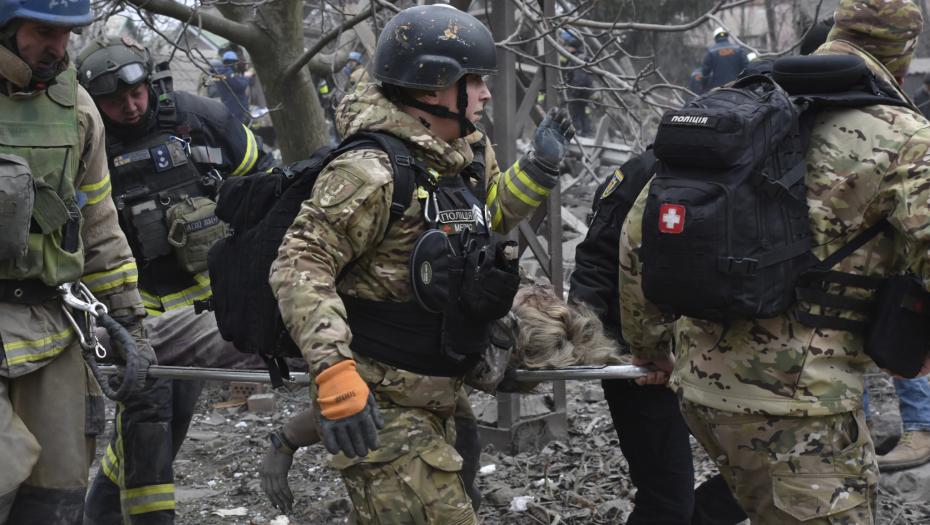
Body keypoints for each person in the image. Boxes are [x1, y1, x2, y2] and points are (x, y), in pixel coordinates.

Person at [622, 1, 930, 523]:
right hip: (804, 407)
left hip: (701, 390)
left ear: (834, 32)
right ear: (903, 57)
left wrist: (649, 347)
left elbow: (639, 238)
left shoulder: (733, 107)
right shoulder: (905, 137)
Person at [269, 5, 573, 523]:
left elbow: (488, 213)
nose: (485, 94)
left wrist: (538, 171)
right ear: (434, 89)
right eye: (474, 82)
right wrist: (335, 374)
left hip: (441, 392)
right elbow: (300, 263)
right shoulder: (370, 172)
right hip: (381, 403)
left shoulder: (463, 153)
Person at [74, 35, 276, 525]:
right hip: (138, 312)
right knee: (147, 421)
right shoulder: (85, 140)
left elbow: (267, 181)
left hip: (208, 309)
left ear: (151, 82)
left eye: (137, 92)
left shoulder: (201, 119)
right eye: (114, 100)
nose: (130, 106)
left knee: (169, 424)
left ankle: (96, 514)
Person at [0, 2, 153, 523]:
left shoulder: (78, 107)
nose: (59, 48)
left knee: (58, 494)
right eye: (44, 32)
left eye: (67, 34)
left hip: (51, 327)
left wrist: (131, 321)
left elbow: (99, 225)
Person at [569, 151, 748, 525]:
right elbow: (596, 263)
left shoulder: (763, 175)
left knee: (758, 482)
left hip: (725, 363)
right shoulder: (642, 174)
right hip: (641, 364)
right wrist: (613, 350)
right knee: (667, 502)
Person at [563, 37, 593, 137]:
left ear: (574, 47)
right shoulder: (583, 56)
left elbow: (579, 77)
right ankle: (586, 133)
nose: (568, 49)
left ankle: (578, 135)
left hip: (578, 91)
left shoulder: (579, 58)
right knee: (583, 113)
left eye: (570, 47)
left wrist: (574, 92)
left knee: (575, 114)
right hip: (583, 91)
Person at [214, 50, 252, 125]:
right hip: (235, 109)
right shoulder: (229, 74)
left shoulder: (221, 73)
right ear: (234, 62)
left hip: (228, 107)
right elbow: (241, 85)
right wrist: (246, 77)